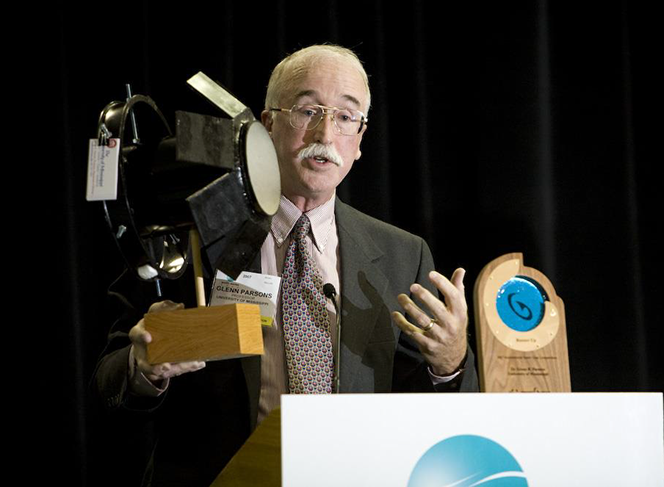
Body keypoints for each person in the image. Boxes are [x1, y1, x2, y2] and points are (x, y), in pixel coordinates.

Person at [93, 44, 477, 487]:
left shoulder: (402, 254)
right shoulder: (189, 234)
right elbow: (106, 388)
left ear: (359, 143)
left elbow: (429, 417)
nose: (326, 132)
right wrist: (144, 368)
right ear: (266, 124)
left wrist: (450, 363)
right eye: (308, 109)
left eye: (346, 116)